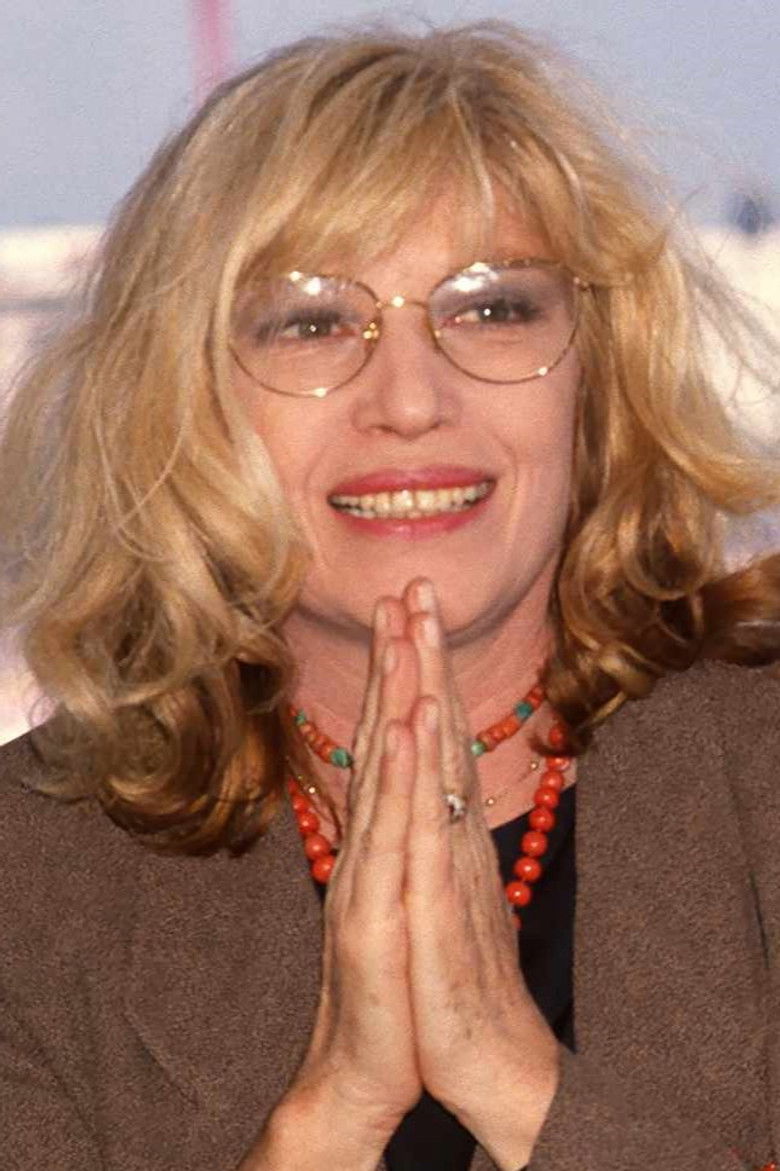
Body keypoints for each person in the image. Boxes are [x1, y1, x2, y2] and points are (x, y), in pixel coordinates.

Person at [0, 21, 779, 1171]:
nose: (411, 399)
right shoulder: (24, 884)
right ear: (182, 399)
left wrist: (519, 1081)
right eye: (313, 322)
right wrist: (325, 1123)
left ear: (598, 373)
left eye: (491, 308)